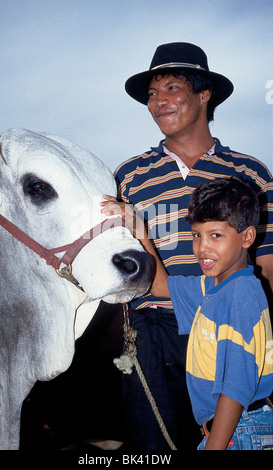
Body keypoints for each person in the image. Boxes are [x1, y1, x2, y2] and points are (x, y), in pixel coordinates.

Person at [101, 42, 273, 451]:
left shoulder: (251, 173)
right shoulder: (127, 176)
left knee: (229, 435)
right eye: (152, 95)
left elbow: (266, 265)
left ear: (204, 93)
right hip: (151, 329)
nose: (158, 102)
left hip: (227, 326)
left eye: (172, 88)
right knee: (152, 444)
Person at [103, 177, 273, 450]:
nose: (202, 247)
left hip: (238, 430)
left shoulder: (241, 292)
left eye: (215, 235)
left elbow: (236, 387)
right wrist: (139, 229)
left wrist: (214, 446)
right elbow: (159, 285)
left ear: (247, 237)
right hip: (225, 430)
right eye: (197, 235)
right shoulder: (212, 287)